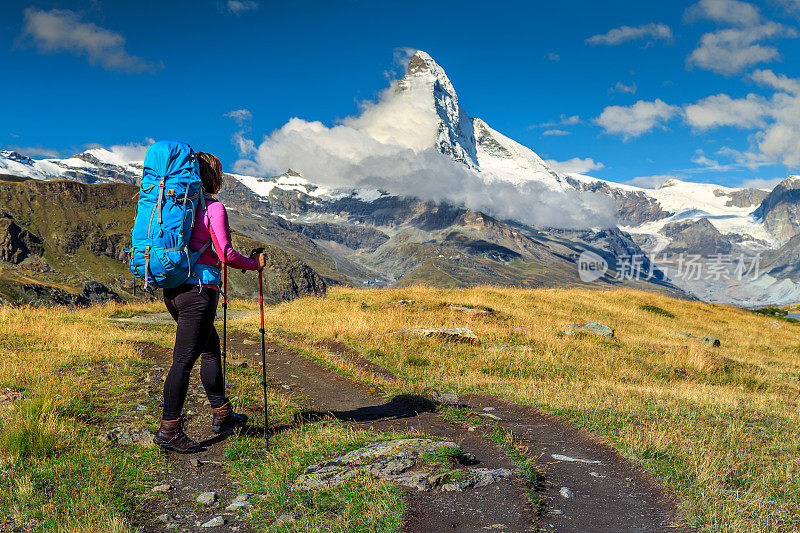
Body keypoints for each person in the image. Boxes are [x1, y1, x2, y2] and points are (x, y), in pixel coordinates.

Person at [153, 152, 266, 453]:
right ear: (213, 177)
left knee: (210, 348)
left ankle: (223, 413)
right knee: (184, 360)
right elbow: (226, 254)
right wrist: (254, 264)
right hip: (199, 292)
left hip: (173, 290)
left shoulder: (172, 206)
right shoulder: (213, 207)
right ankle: (169, 429)